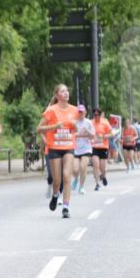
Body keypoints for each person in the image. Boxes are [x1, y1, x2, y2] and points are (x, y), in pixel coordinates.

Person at [37, 85, 78, 218]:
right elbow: (39, 128)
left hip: (68, 146)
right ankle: (55, 195)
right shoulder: (51, 110)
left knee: (67, 175)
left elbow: (76, 130)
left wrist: (75, 125)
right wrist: (55, 126)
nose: (66, 93)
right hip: (54, 147)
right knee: (57, 180)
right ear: (57, 95)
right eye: (62, 91)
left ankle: (66, 207)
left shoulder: (74, 110)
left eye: (67, 90)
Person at [72, 105, 94, 194]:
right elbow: (72, 135)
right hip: (76, 149)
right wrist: (78, 135)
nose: (80, 113)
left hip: (86, 149)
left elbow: (93, 136)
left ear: (85, 113)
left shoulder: (88, 122)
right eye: (78, 112)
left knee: (83, 167)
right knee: (75, 169)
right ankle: (76, 178)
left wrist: (87, 131)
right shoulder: (74, 122)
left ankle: (81, 187)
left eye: (81, 112)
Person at [90, 108, 112, 190]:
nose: (96, 117)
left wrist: (103, 136)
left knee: (103, 168)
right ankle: (97, 184)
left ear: (100, 115)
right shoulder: (91, 123)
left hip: (103, 147)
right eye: (95, 115)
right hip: (94, 147)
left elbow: (112, 134)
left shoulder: (105, 122)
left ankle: (103, 175)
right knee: (96, 165)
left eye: (98, 115)